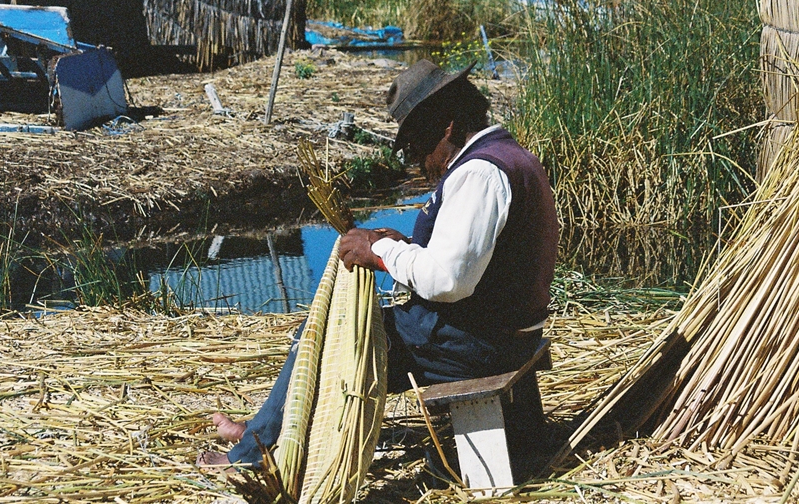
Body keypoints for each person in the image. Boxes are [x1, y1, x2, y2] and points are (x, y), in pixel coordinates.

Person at [199, 59, 559, 473]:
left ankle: (253, 454)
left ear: (446, 124)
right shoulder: (510, 156)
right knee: (339, 335)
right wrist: (405, 245)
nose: (417, 159)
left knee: (327, 338)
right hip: (503, 333)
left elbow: (447, 280)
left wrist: (380, 254)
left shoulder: (478, 173)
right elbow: (477, 257)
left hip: (477, 346)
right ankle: (264, 427)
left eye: (416, 143)